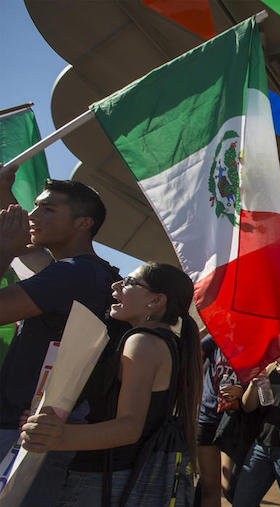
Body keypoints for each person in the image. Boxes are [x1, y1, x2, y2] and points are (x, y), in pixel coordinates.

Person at [20, 262, 202, 505]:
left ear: (155, 301)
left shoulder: (142, 342)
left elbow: (129, 427)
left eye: (128, 282)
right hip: (115, 477)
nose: (116, 285)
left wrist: (57, 436)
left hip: (105, 481)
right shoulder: (162, 341)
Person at [0, 177, 120, 504]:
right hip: (38, 431)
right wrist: (3, 191)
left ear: (84, 223)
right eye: (35, 206)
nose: (33, 215)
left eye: (47, 209)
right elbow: (37, 258)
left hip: (27, 435)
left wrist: (4, 250)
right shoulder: (90, 272)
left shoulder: (73, 274)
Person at [232, 358, 280, 507]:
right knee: (242, 502)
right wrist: (253, 384)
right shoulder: (268, 367)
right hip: (261, 446)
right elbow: (248, 406)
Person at [196, 335, 236, 507]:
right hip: (208, 416)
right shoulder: (218, 334)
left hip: (235, 418)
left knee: (229, 487)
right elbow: (194, 352)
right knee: (209, 486)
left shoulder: (257, 335)